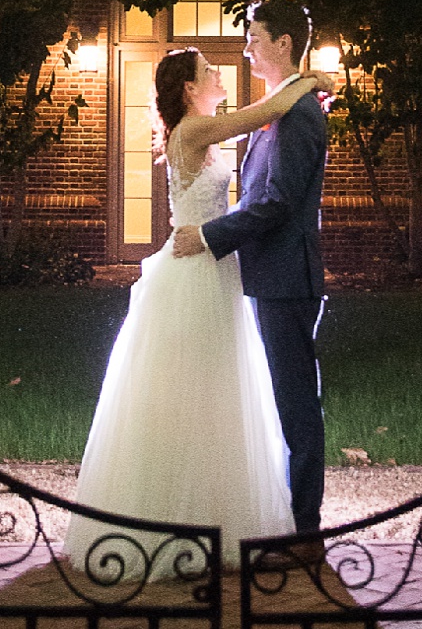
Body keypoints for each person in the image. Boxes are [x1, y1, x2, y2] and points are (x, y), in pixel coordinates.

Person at [63, 41, 328, 570]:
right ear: (189, 88)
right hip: (196, 270)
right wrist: (311, 81)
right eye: (209, 70)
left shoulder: (201, 130)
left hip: (216, 266)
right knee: (196, 392)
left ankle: (220, 511)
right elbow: (270, 111)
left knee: (216, 391)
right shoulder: (195, 130)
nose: (221, 72)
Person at [172, 0, 331, 555]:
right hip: (268, 276)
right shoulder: (280, 107)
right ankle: (289, 523)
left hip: (289, 278)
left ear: (284, 44)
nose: (246, 49)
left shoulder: (301, 113)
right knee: (284, 400)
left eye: (255, 38)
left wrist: (212, 237)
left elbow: (279, 203)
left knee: (295, 403)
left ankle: (305, 533)